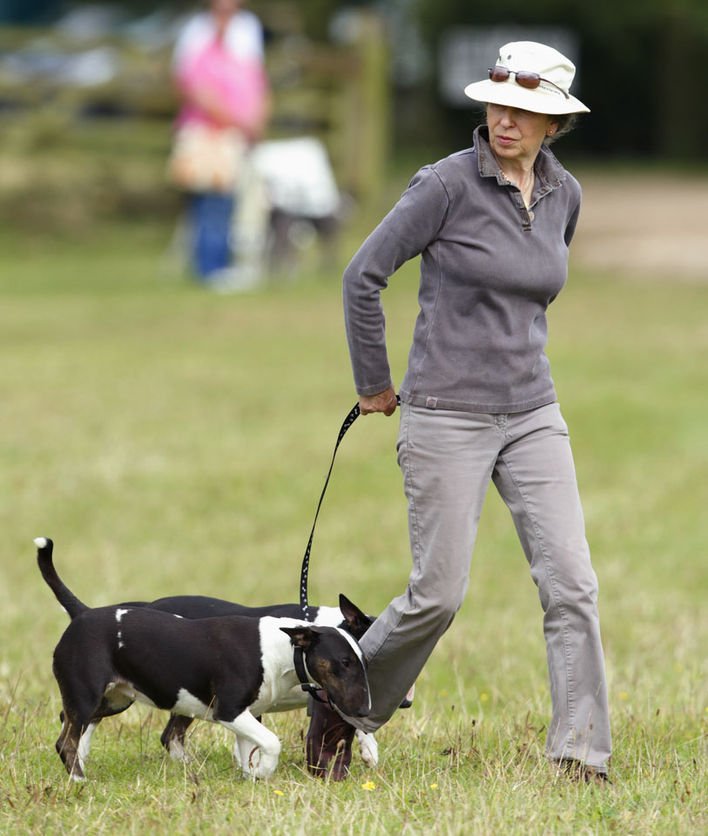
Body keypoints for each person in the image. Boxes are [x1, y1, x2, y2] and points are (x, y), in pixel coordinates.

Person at [307, 41, 611, 783]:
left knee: (572, 584)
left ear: (553, 125)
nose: (506, 119)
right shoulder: (443, 185)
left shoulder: (564, 195)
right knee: (438, 593)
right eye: (498, 103)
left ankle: (580, 755)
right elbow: (363, 276)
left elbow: (534, 289)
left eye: (526, 110)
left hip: (534, 411)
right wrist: (374, 381)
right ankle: (341, 705)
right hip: (446, 412)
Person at [169, 0, 269, 283]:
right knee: (211, 199)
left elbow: (254, 79)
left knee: (228, 201)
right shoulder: (197, 32)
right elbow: (192, 85)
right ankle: (210, 268)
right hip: (207, 130)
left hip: (238, 131)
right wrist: (235, 119)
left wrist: (256, 119)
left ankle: (221, 263)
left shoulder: (247, 28)